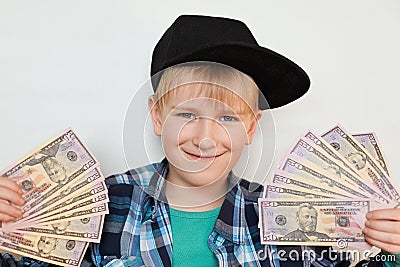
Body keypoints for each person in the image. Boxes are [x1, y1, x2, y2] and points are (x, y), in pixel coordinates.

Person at [1, 14, 399, 267]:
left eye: (227, 118)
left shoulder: (289, 218)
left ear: (252, 127)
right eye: (188, 114)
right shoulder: (104, 206)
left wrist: (393, 251)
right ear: (157, 116)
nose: (206, 138)